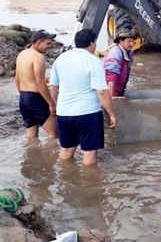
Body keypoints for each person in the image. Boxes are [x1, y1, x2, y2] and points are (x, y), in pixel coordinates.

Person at [49, 29, 117, 166]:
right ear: (92, 43)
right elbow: (102, 92)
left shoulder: (61, 58)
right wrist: (111, 114)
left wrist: (54, 106)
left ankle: (65, 179)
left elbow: (54, 87)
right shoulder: (93, 61)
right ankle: (89, 185)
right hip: (87, 113)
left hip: (64, 113)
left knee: (66, 150)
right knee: (89, 153)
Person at [15, 29, 58, 139]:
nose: (49, 46)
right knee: (53, 134)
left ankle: (31, 155)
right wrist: (52, 103)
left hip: (23, 98)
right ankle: (49, 156)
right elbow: (40, 83)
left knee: (31, 135)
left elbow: (17, 78)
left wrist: (24, 96)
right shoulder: (38, 57)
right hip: (36, 98)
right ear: (38, 42)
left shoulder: (22, 54)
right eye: (47, 43)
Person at [104, 28, 137, 97]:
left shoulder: (129, 53)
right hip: (111, 91)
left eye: (133, 41)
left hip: (119, 91)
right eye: (129, 41)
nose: (132, 44)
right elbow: (111, 77)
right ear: (121, 41)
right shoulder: (115, 53)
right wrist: (111, 98)